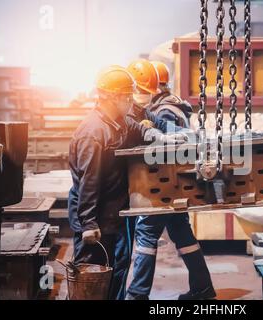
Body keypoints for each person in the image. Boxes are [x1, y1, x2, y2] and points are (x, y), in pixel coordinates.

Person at [68, 65, 185, 300]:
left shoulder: (117, 121)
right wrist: (89, 223)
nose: (130, 101)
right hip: (96, 217)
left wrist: (159, 136)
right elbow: (88, 183)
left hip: (115, 213)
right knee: (92, 279)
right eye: (126, 96)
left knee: (117, 270)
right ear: (111, 97)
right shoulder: (94, 133)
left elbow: (135, 128)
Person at [125, 60, 216, 300]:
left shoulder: (164, 110)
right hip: (175, 185)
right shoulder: (175, 105)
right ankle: (203, 288)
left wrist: (150, 136)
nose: (139, 96)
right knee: (183, 235)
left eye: (142, 91)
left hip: (163, 183)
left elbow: (165, 150)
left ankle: (137, 295)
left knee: (146, 234)